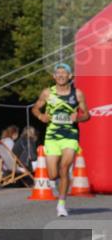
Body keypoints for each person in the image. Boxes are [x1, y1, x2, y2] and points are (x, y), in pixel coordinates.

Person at [31, 63, 90, 217]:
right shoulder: (47, 93)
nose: (61, 75)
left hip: (70, 136)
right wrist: (41, 116)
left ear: (71, 76)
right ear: (54, 76)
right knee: (52, 174)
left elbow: (87, 115)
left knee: (64, 168)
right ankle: (59, 183)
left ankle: (61, 204)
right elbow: (35, 108)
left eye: (65, 73)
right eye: (58, 73)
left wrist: (78, 117)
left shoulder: (77, 94)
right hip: (52, 136)